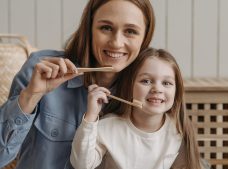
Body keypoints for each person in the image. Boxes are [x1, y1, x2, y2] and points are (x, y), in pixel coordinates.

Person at [0, 0, 155, 168]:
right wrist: (30, 96)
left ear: (144, 38)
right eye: (106, 28)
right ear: (89, 29)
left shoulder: (148, 94)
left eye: (130, 31)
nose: (116, 42)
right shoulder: (40, 69)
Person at [70, 47, 207, 169]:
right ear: (129, 86)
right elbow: (81, 165)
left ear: (176, 91)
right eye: (146, 81)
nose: (157, 89)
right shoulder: (107, 127)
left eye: (166, 83)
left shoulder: (178, 130)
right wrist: (91, 116)